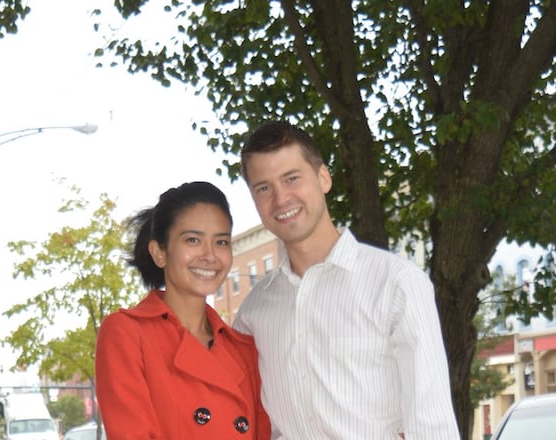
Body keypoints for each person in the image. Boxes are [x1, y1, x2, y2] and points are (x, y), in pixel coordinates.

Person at [232, 121, 460, 439]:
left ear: (323, 177)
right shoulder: (253, 313)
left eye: (292, 178)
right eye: (264, 187)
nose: (281, 198)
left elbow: (431, 423)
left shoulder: (397, 284)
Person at [96, 181, 270, 440]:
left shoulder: (243, 349)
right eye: (193, 240)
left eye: (221, 242)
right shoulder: (126, 333)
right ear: (159, 252)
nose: (210, 255)